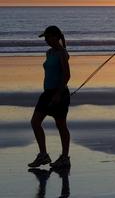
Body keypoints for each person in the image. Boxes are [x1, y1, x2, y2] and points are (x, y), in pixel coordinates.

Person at [28, 25, 71, 169]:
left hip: (59, 93)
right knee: (35, 122)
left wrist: (58, 94)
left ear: (55, 37)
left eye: (48, 37)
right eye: (45, 37)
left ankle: (65, 157)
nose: (46, 40)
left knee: (61, 125)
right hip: (47, 93)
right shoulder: (49, 53)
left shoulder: (62, 53)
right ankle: (43, 155)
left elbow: (66, 75)